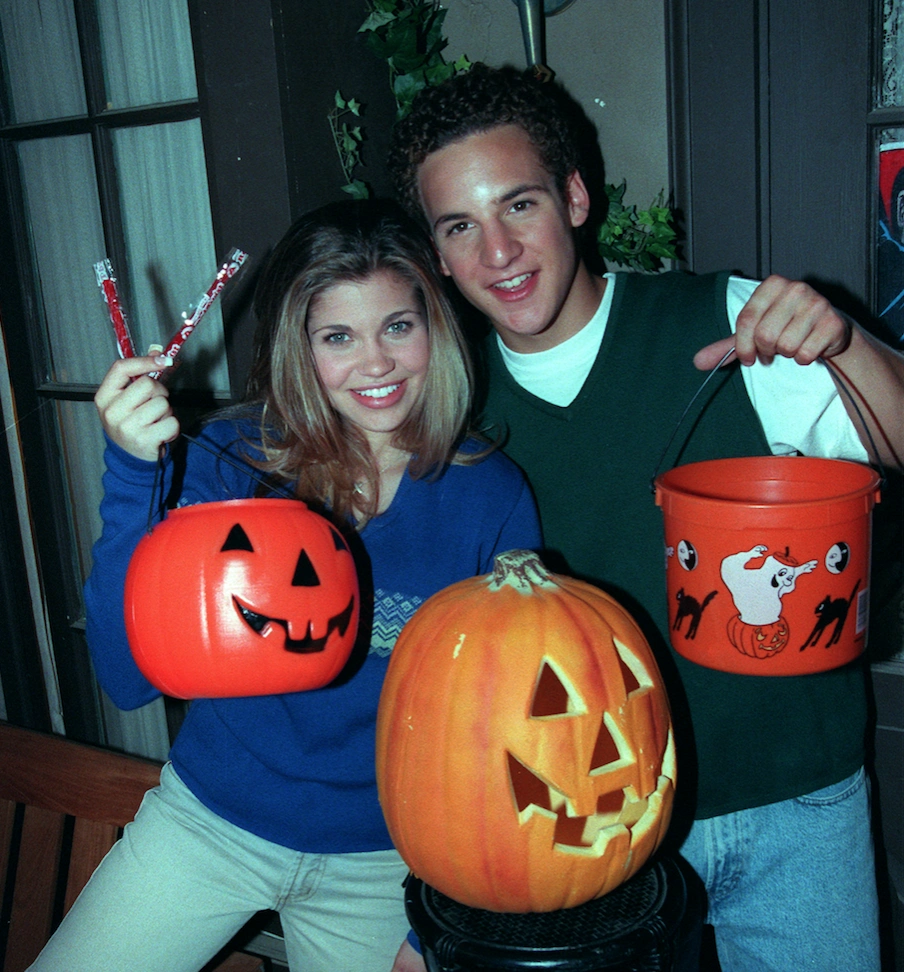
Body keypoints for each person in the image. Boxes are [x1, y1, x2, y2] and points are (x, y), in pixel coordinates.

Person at [388, 64, 904, 971]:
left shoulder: (729, 320)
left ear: (576, 196)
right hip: (587, 829)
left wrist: (844, 341)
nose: (498, 252)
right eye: (460, 227)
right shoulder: (446, 403)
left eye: (519, 205)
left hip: (797, 802)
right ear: (436, 254)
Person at [29, 198, 540, 972]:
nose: (376, 364)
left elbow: (505, 726)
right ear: (301, 349)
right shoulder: (230, 460)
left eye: (398, 326)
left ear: (437, 326)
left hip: (384, 857)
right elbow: (125, 678)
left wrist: (443, 909)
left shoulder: (492, 496)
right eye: (338, 337)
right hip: (209, 823)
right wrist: (134, 472)